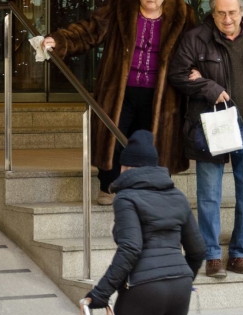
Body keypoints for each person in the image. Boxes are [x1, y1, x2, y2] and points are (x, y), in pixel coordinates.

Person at [168, 0, 243, 277]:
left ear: (242, 12)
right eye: (221, 13)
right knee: (209, 195)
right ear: (213, 12)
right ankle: (211, 256)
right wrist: (208, 87)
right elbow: (176, 74)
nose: (227, 19)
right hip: (212, 126)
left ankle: (239, 255)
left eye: (232, 12)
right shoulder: (196, 39)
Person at [42, 0, 194, 205]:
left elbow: (195, 46)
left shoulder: (183, 14)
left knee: (151, 142)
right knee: (112, 138)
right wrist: (60, 40)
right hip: (119, 90)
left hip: (162, 94)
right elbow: (89, 30)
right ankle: (108, 186)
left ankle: (147, 188)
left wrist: (199, 69)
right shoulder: (120, 7)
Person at [84, 130, 206, 315]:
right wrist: (181, 279)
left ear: (127, 167)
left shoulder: (126, 197)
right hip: (180, 291)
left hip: (143, 292)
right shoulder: (177, 196)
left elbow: (130, 248)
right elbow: (198, 250)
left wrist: (101, 293)